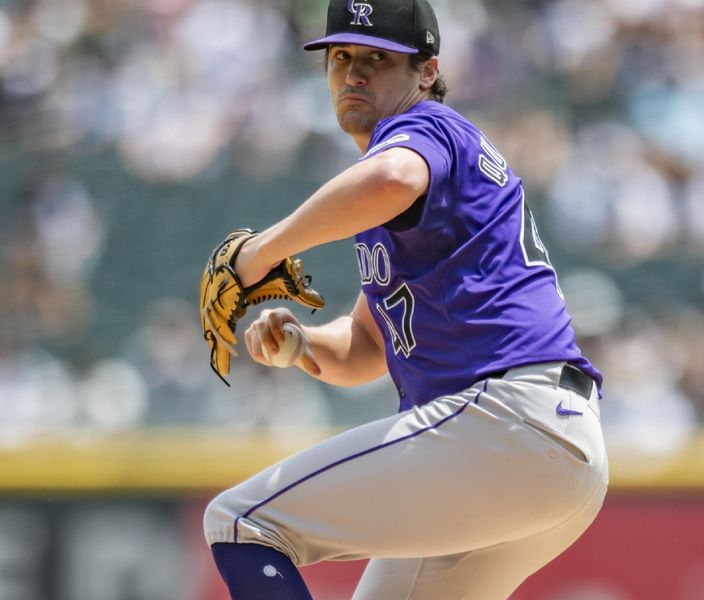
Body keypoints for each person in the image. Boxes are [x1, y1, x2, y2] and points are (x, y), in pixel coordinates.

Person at [203, 0, 608, 598]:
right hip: (545, 451)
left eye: (377, 58)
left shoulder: (425, 130)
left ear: (426, 71)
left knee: (243, 524)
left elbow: (395, 178)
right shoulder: (404, 186)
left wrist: (259, 252)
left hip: (503, 422)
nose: (353, 73)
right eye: (340, 57)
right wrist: (302, 345)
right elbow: (368, 346)